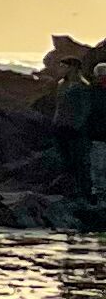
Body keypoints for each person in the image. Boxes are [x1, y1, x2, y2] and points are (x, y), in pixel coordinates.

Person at [58, 58, 96, 198]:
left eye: (64, 66)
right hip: (61, 128)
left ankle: (83, 192)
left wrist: (76, 126)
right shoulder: (62, 84)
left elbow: (85, 109)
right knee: (65, 161)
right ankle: (70, 191)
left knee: (79, 162)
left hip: (76, 131)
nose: (61, 69)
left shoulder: (82, 86)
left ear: (72, 68)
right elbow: (59, 107)